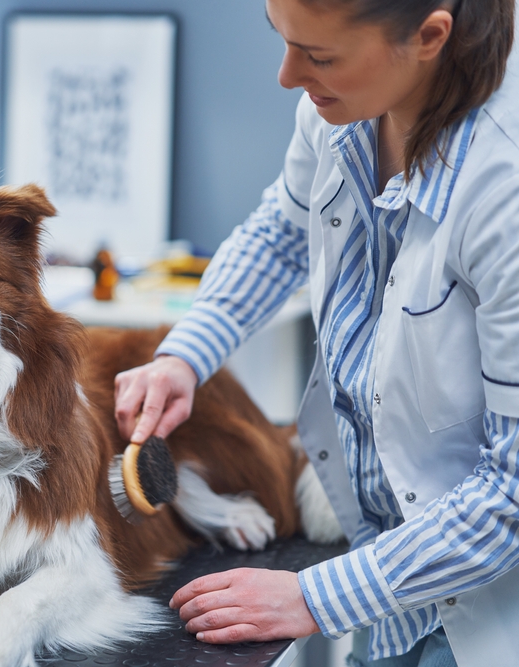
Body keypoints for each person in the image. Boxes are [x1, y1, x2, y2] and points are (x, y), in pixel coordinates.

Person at [113, 0, 518, 665]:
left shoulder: (506, 188)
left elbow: (510, 495)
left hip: (491, 608)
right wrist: (186, 354)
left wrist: (313, 598)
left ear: (430, 36)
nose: (286, 76)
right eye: (284, 40)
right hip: (390, 580)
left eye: (319, 56)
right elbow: (279, 236)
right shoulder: (343, 112)